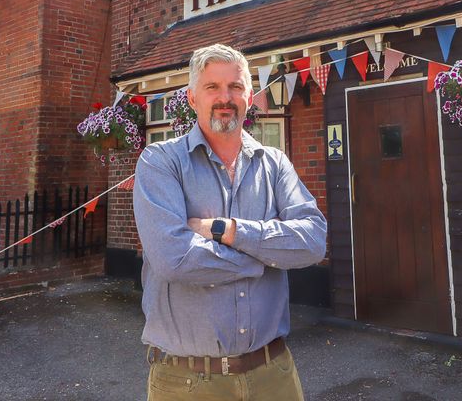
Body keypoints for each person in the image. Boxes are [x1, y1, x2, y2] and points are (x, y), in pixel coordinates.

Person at [133, 43, 327, 401]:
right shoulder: (160, 162)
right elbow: (173, 259)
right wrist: (267, 256)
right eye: (213, 87)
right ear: (192, 98)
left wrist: (229, 231)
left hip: (274, 376)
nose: (226, 97)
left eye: (235, 87)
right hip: (187, 382)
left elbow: (314, 241)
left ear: (249, 96)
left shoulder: (275, 163)